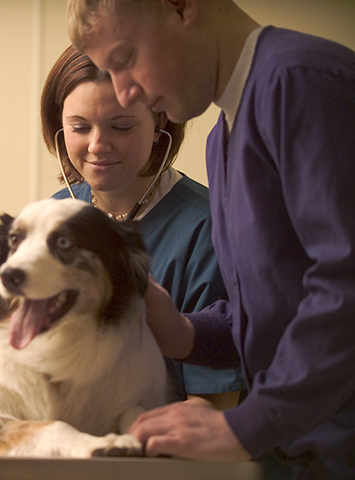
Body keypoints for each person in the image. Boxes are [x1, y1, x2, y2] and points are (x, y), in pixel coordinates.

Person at [65, 0, 355, 478]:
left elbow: (346, 285)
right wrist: (185, 333)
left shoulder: (299, 81)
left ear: (181, 8)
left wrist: (246, 426)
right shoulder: (222, 139)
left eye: (125, 59)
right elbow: (276, 309)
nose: (126, 91)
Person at [43, 45, 244, 410]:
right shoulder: (52, 217)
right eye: (79, 127)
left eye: (121, 126)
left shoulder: (209, 230)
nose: (97, 146)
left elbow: (215, 407)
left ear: (159, 124)